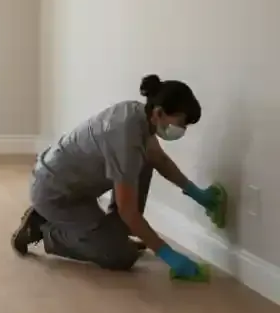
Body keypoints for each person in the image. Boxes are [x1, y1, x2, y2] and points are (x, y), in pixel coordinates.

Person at [12, 74, 217, 279]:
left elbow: (159, 160)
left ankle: (113, 236)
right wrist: (168, 254)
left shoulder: (139, 115)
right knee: (121, 257)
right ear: (159, 112)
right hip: (55, 194)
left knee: (147, 159)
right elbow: (127, 209)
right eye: (181, 123)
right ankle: (43, 228)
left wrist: (198, 195)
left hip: (75, 190)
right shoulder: (125, 138)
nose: (182, 130)